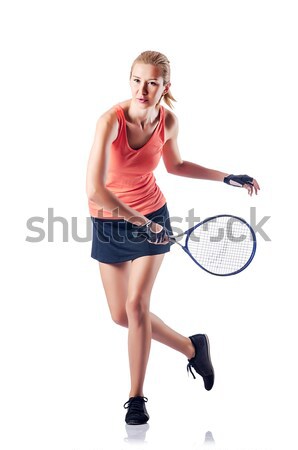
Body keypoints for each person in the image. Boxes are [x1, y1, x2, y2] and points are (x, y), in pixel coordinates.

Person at [86, 50, 260, 425]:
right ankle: (191, 347)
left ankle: (136, 398)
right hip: (110, 222)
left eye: (151, 82)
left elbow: (176, 165)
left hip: (153, 216)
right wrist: (139, 223)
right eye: (136, 80)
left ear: (166, 86)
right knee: (120, 316)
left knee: (136, 306)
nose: (142, 89)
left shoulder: (168, 122)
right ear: (128, 80)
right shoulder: (109, 122)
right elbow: (96, 189)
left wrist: (226, 177)